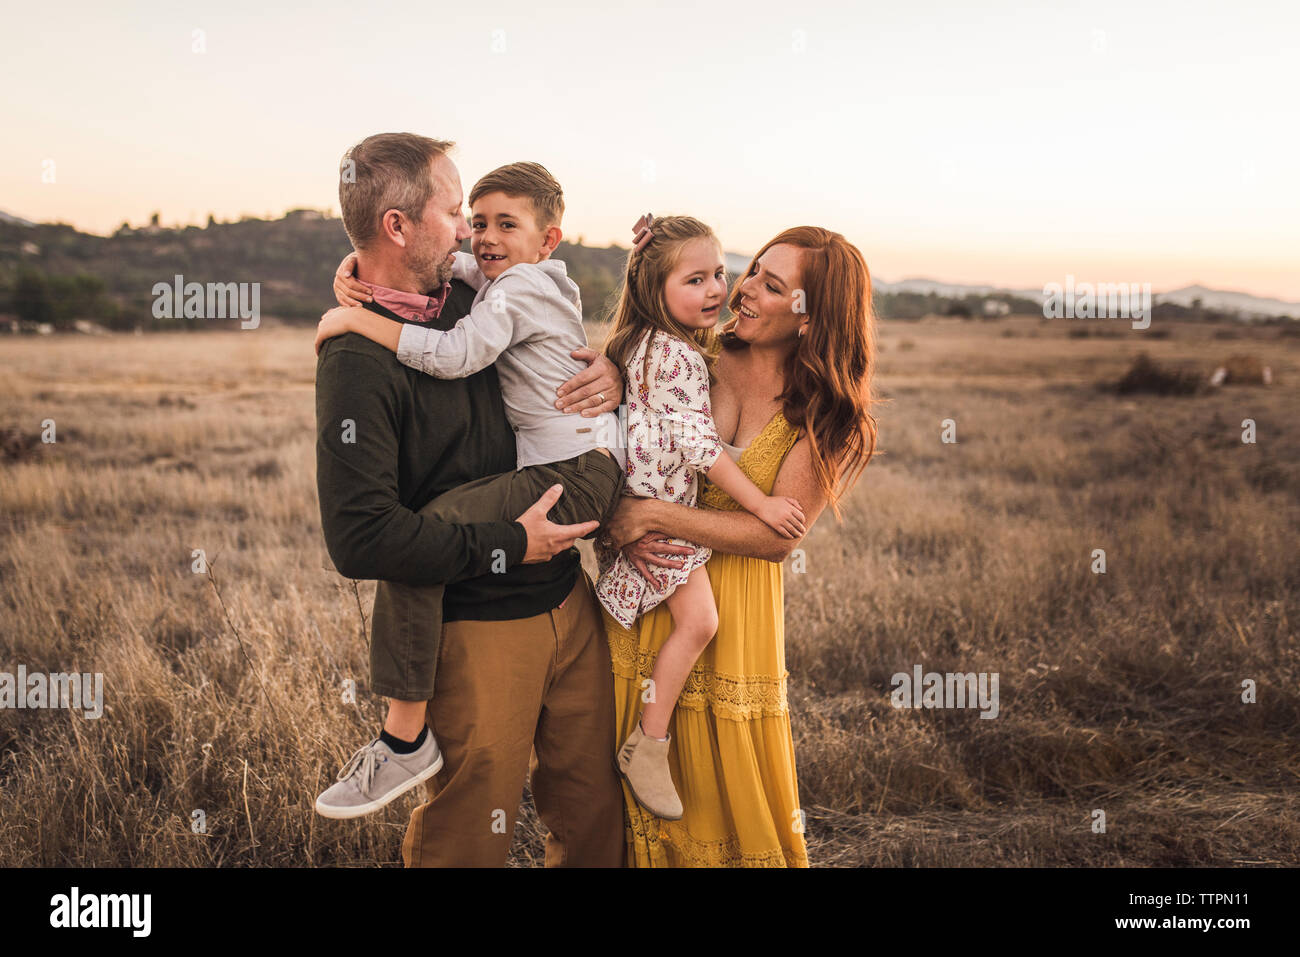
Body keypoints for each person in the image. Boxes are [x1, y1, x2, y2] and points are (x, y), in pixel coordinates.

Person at [314, 132, 625, 866]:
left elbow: (543, 319)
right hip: (480, 624)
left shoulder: (475, 290)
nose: (470, 231)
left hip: (570, 603)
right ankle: (401, 737)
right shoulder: (356, 359)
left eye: (483, 219)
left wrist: (611, 370)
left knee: (595, 815)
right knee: (466, 841)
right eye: (459, 213)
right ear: (398, 227)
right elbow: (360, 540)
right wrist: (511, 544)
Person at [599, 225, 878, 867]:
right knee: (627, 811)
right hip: (652, 603)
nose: (743, 290)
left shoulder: (825, 413)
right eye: (751, 271)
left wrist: (648, 515)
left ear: (812, 317)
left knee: (724, 808)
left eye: (771, 285)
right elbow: (632, 429)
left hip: (732, 626)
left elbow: (774, 537)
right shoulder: (694, 354)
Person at [592, 214, 807, 821]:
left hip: (641, 504)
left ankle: (646, 743)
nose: (721, 289)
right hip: (656, 511)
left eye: (719, 273)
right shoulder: (683, 357)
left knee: (696, 623)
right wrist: (761, 502)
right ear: (653, 291)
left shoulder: (653, 345)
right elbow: (702, 448)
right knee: (702, 622)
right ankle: (650, 744)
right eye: (696, 280)